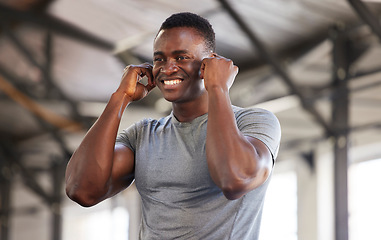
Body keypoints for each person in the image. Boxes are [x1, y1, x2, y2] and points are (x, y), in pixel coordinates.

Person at [65, 12, 281, 240]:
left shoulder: (254, 122)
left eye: (181, 58)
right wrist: (120, 97)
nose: (167, 69)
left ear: (210, 63)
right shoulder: (143, 134)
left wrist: (218, 88)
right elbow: (82, 190)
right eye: (159, 59)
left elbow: (234, 179)